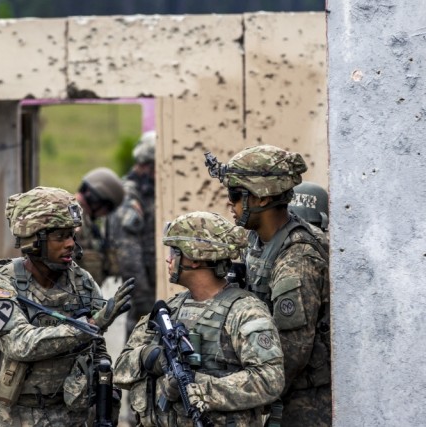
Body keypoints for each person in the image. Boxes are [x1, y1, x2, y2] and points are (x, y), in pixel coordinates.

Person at [0, 186, 135, 427]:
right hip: (14, 418)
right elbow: (20, 344)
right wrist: (90, 326)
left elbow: (97, 351)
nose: (70, 244)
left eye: (72, 235)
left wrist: (105, 406)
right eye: (60, 237)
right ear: (35, 240)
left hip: (71, 417)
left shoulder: (81, 282)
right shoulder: (1, 284)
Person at [114, 211, 285, 427]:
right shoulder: (169, 309)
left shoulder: (244, 311)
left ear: (194, 259)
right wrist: (151, 357)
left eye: (175, 252)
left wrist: (199, 388)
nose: (168, 258)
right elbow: (120, 370)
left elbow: (270, 380)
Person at [205, 145, 331, 426]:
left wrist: (235, 394)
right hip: (273, 388)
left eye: (236, 195)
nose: (230, 203)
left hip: (304, 403)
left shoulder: (297, 259)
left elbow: (291, 354)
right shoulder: (256, 241)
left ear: (262, 199)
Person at [111, 130, 157, 338]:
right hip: (144, 300)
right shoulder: (129, 197)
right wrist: (146, 304)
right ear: (148, 165)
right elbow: (129, 259)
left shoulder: (149, 193)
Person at [75, 167, 125, 285]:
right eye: (107, 208)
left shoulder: (85, 222)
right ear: (96, 199)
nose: (105, 214)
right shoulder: (75, 220)